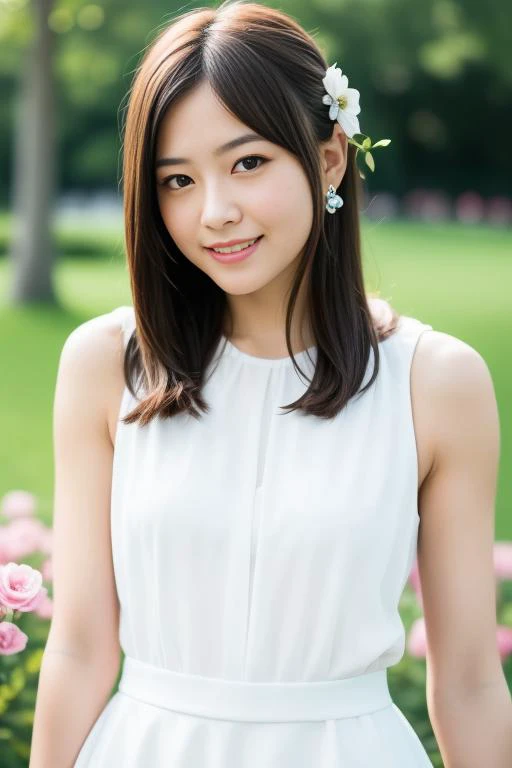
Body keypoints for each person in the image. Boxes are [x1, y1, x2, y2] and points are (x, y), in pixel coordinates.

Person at [30, 2, 512, 767]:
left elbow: (468, 684)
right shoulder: (107, 364)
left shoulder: (434, 383)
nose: (214, 213)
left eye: (248, 163)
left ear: (327, 160)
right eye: (178, 180)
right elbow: (82, 646)